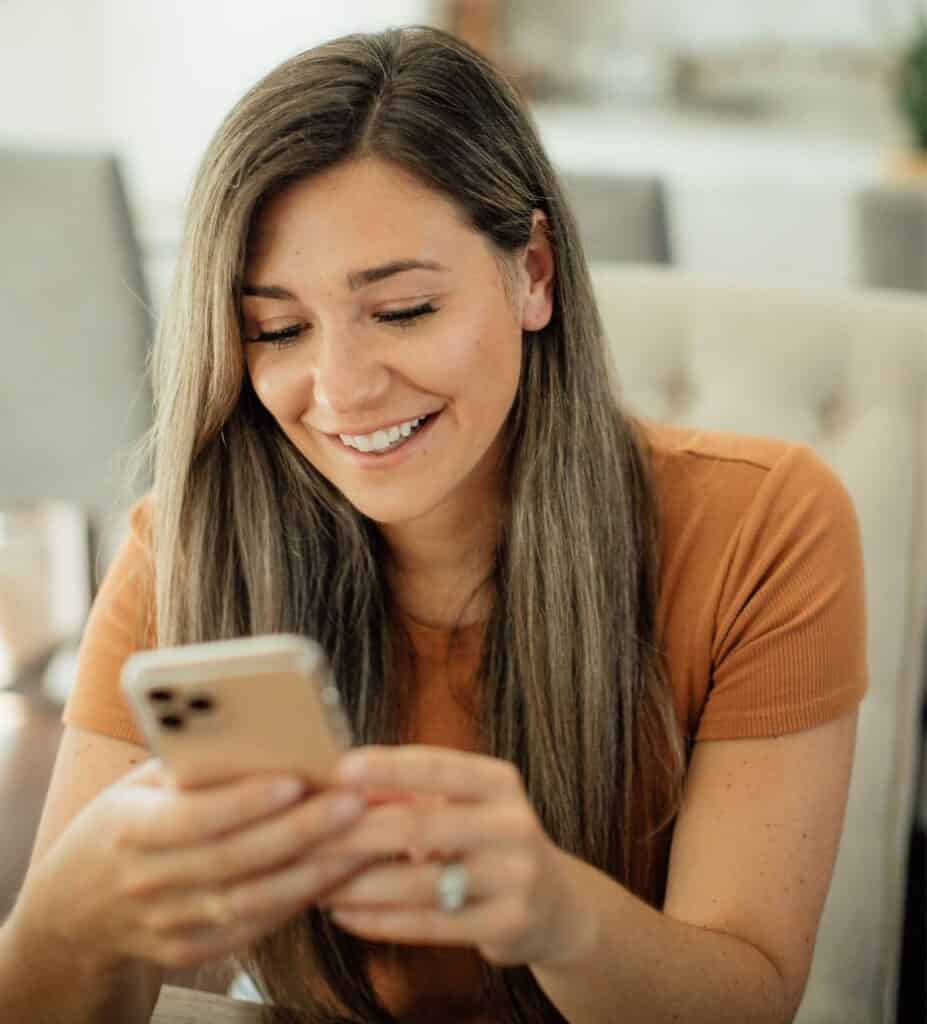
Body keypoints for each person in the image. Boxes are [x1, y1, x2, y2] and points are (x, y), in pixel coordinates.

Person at [0, 25, 867, 1024]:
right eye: (276, 330)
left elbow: (747, 1000)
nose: (343, 388)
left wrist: (558, 916)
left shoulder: (763, 525)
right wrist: (75, 916)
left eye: (403, 309)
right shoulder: (190, 546)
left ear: (533, 273)